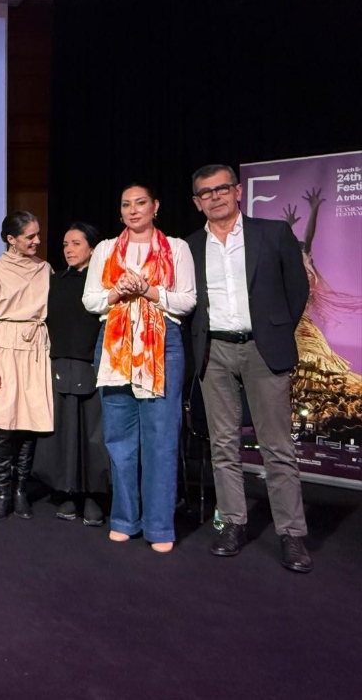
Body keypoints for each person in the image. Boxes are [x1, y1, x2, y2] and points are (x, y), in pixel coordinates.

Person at [187, 164, 312, 572]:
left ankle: (292, 534)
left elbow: (298, 288)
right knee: (223, 445)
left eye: (222, 188)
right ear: (196, 202)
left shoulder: (272, 233)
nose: (215, 197)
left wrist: (275, 332)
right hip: (215, 351)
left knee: (277, 447)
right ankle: (232, 524)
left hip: (263, 348)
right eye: (206, 193)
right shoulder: (189, 246)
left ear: (238, 191)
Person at [83, 184, 195, 553]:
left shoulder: (176, 248)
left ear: (155, 206)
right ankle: (124, 520)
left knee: (161, 439)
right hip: (114, 344)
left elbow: (187, 302)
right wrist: (116, 292)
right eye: (126, 204)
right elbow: (90, 300)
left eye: (140, 203)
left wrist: (148, 290)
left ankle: (160, 527)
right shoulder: (105, 250)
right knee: (119, 439)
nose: (133, 210)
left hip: (163, 345)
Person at [0, 212, 53, 522]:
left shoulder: (45, 270)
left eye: (38, 234)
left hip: (34, 350)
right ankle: (3, 492)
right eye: (30, 236)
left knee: (28, 424)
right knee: (1, 426)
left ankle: (20, 491)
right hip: (2, 350)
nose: (37, 241)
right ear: (11, 239)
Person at [34, 222, 110, 526]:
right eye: (65, 244)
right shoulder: (56, 280)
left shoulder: (102, 282)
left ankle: (92, 494)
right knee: (62, 431)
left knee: (92, 433)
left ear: (92, 246)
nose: (69, 250)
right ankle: (65, 492)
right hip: (59, 362)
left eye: (76, 243)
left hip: (92, 364)